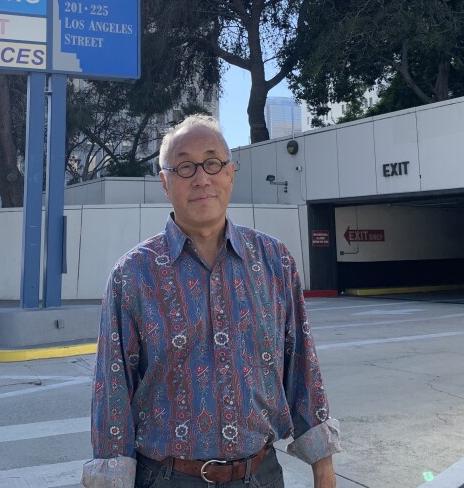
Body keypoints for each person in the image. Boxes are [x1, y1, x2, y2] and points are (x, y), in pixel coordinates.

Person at [83, 115, 340, 488]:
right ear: (165, 182)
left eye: (212, 162)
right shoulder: (132, 275)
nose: (201, 178)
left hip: (261, 476)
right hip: (168, 477)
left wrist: (324, 468)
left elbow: (302, 367)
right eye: (185, 166)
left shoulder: (274, 261)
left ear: (231, 173)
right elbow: (112, 392)